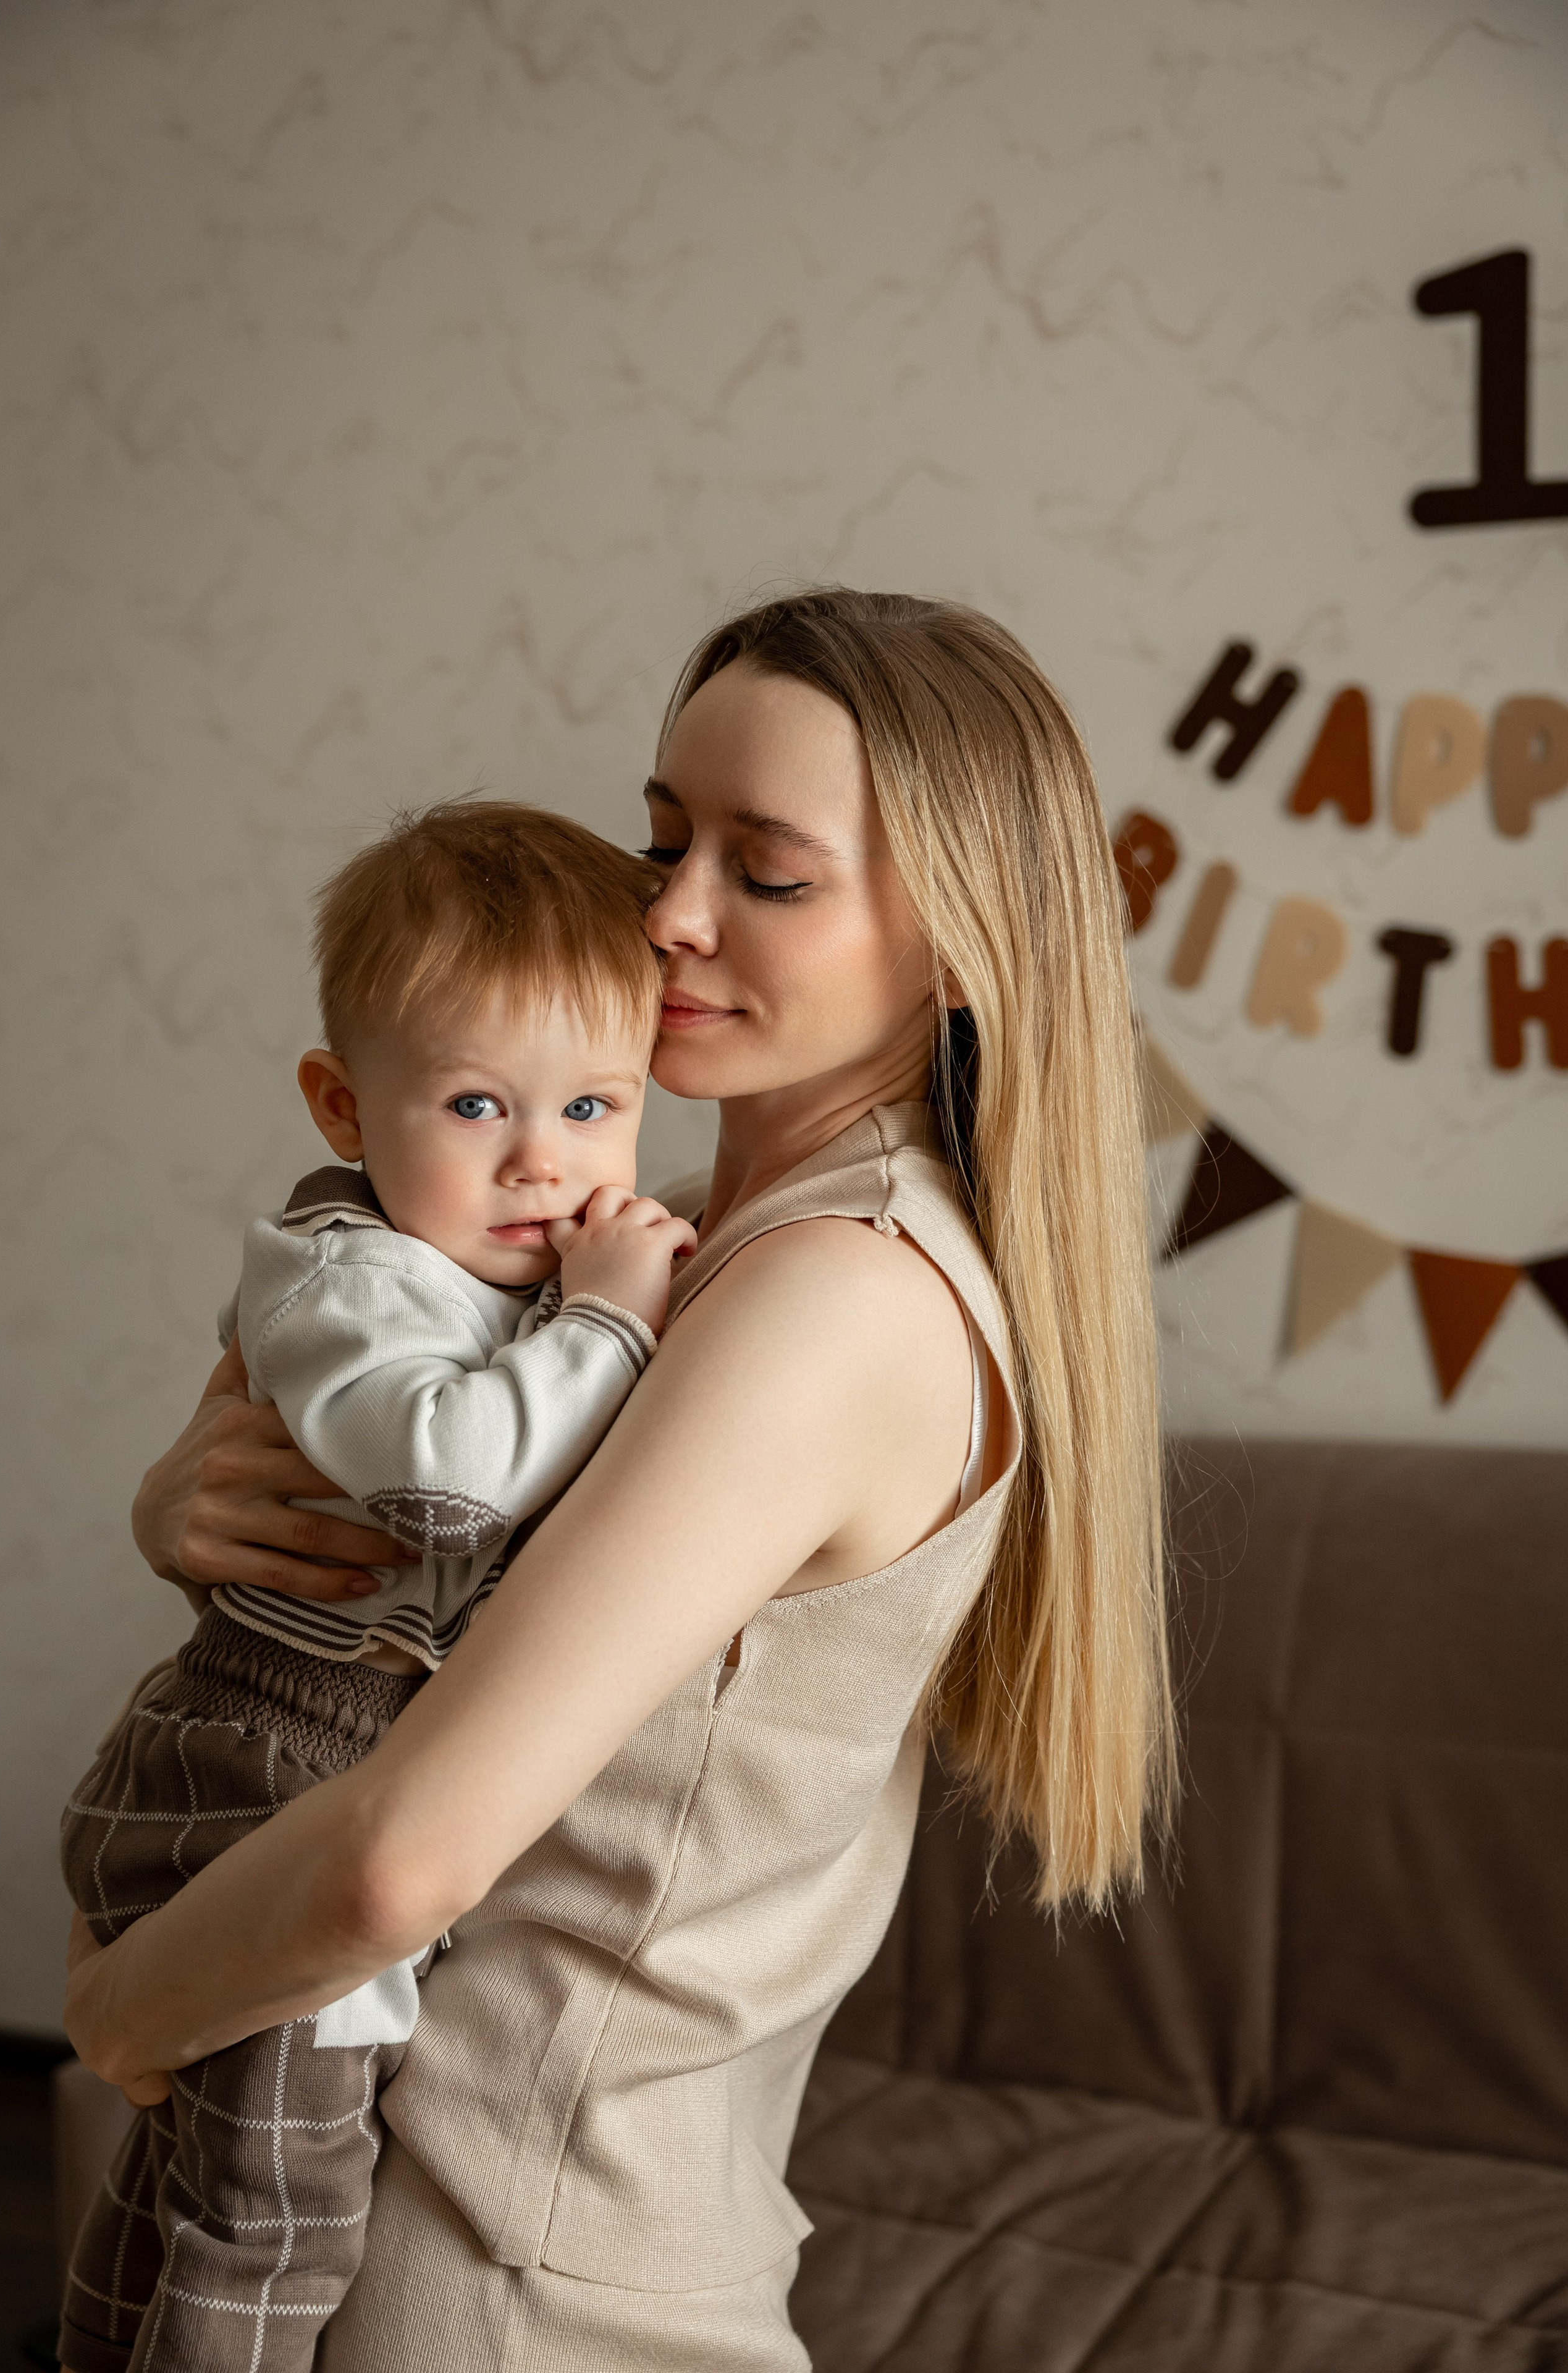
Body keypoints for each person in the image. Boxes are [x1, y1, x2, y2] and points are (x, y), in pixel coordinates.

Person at [65, 587, 1173, 2372]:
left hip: (497, 2278)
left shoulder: (826, 1298)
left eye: (769, 871)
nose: (666, 915)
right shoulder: (682, 1239)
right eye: (663, 839)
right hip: (513, 2217)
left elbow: (405, 1858)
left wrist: (120, 2016)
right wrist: (187, 1515)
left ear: (962, 939)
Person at [57, 802, 694, 2373]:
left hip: (314, 1759)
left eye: (596, 1107)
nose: (544, 1161)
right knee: (278, 2208)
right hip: (267, 1771)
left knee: (185, 2174)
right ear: (345, 1103)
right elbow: (445, 1480)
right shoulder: (356, 1282)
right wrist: (610, 1325)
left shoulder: (504, 1267)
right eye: (476, 1104)